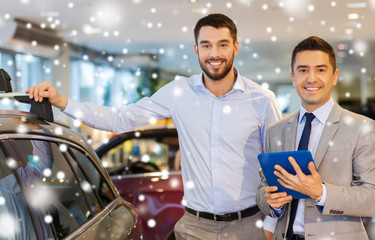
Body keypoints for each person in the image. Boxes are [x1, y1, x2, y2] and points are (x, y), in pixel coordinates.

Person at [27, 13, 281, 239]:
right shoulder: (179, 92)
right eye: (206, 45)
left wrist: (271, 223)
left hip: (248, 226)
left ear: (235, 47)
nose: (214, 54)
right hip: (194, 227)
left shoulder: (261, 100)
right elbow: (121, 119)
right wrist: (62, 101)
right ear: (196, 49)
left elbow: (278, 166)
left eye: (222, 45)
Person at [256, 36, 375, 240]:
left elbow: (371, 197)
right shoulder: (275, 130)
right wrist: (271, 203)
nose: (311, 78)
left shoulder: (363, 127)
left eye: (320, 70)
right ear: (293, 77)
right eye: (303, 70)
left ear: (334, 76)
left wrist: (320, 192)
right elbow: (263, 188)